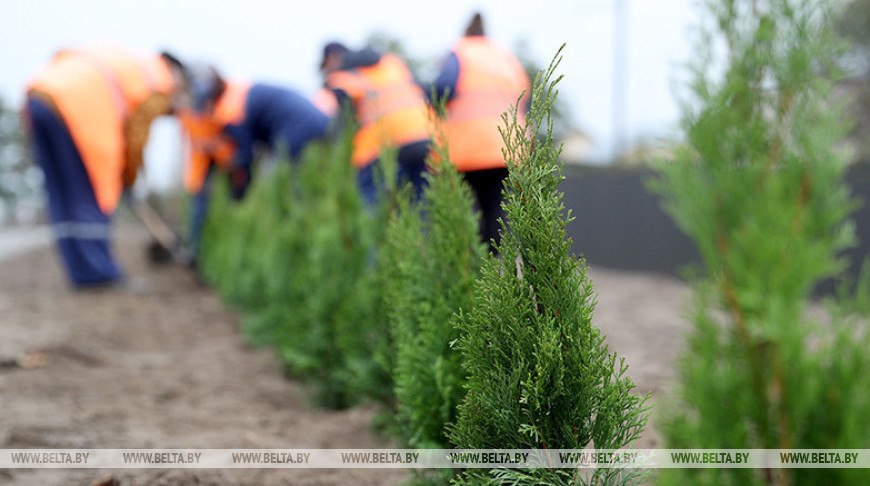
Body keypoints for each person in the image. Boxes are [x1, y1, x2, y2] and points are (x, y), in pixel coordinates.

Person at [24, 42, 188, 288]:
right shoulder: (158, 80)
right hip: (76, 111)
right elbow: (135, 136)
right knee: (90, 191)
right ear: (174, 70)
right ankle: (98, 274)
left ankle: (81, 273)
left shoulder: (131, 64)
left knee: (63, 194)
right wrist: (129, 177)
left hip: (39, 96)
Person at [180, 65, 330, 260]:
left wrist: (240, 193)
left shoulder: (231, 111)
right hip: (313, 121)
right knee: (300, 182)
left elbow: (245, 158)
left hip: (298, 128)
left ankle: (291, 242)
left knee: (282, 185)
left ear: (210, 98)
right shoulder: (235, 93)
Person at [429, 12, 531, 252]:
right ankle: (494, 271)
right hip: (508, 148)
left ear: (466, 32)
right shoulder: (506, 57)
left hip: (468, 148)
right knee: (495, 212)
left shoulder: (460, 52)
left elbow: (442, 90)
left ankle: (470, 268)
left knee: (464, 213)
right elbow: (525, 97)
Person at [320, 42, 431, 203]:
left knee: (372, 207)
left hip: (382, 145)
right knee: (420, 205)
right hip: (423, 137)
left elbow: (344, 124)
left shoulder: (342, 76)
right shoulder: (393, 63)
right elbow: (427, 92)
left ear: (332, 58)